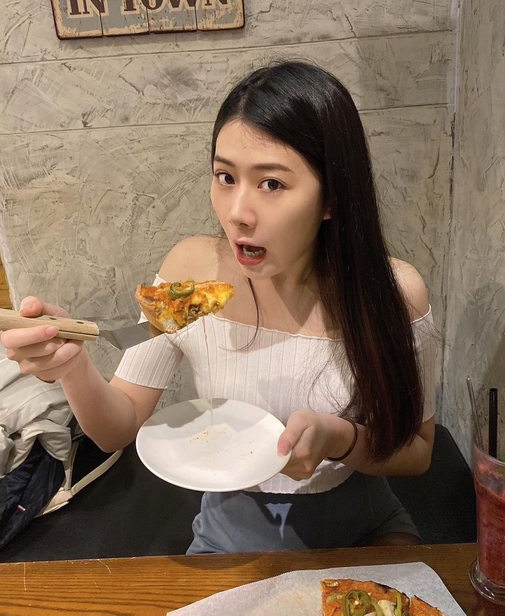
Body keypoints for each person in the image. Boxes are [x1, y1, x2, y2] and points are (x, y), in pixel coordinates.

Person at [0, 60, 436, 553]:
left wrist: (342, 439)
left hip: (365, 528)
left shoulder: (393, 294)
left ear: (332, 196)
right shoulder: (190, 277)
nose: (237, 213)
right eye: (225, 177)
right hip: (230, 535)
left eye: (271, 184)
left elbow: (419, 452)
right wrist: (71, 366)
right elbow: (118, 426)